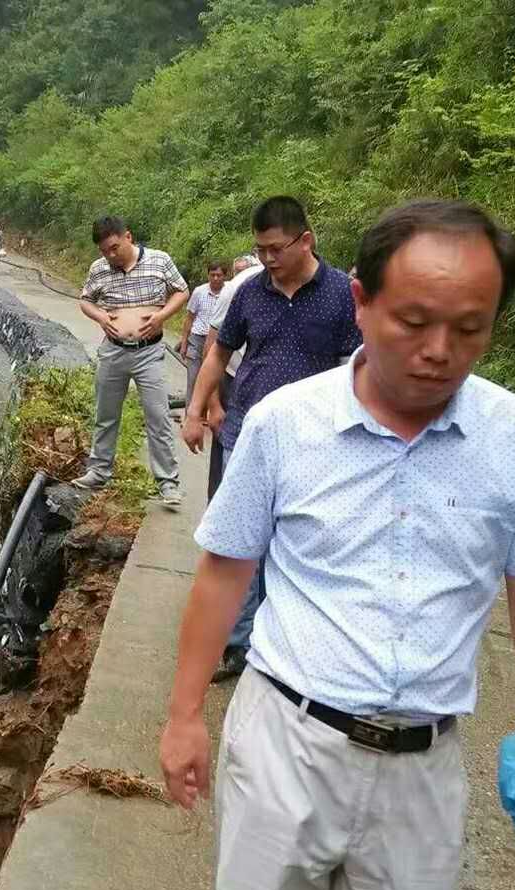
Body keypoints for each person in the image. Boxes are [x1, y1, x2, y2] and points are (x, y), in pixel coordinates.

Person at [159, 199, 515, 890]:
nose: (439, 351)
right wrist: (182, 715)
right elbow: (224, 572)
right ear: (360, 300)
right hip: (287, 735)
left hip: (422, 761)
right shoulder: (286, 423)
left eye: (470, 329)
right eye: (414, 321)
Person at [183, 196, 362, 681]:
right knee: (241, 542)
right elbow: (219, 354)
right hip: (247, 431)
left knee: (296, 542)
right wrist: (198, 410)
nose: (266, 259)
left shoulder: (343, 294)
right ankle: (239, 646)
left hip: (316, 440)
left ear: (306, 240)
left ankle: (284, 639)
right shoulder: (250, 292)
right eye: (260, 250)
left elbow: (357, 366)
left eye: (275, 249)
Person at [73, 215, 189, 507]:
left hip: (149, 351)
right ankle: (99, 471)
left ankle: (167, 482)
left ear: (128, 237)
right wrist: (101, 316)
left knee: (158, 415)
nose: (110, 255)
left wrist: (162, 316)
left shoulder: (159, 261)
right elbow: (86, 299)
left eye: (114, 247)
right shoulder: (99, 269)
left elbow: (182, 291)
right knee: (105, 413)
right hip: (113, 351)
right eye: (104, 251)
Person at [200, 253, 260, 500]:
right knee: (225, 451)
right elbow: (212, 346)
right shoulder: (240, 288)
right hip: (233, 380)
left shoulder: (326, 290)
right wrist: (211, 405)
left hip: (282, 389)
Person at [179, 260, 229, 403]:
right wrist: (184, 343)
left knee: (216, 382)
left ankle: (208, 417)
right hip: (197, 339)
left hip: (218, 342)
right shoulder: (199, 292)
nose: (215, 278)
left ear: (224, 276)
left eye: (219, 275)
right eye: (212, 275)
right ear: (208, 275)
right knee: (193, 380)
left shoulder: (229, 293)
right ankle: (189, 418)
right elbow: (189, 318)